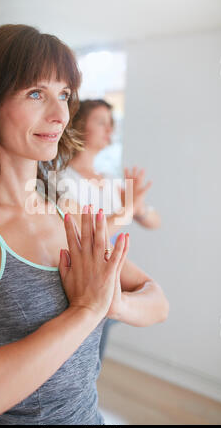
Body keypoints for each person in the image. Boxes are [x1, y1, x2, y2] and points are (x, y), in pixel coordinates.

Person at [0, 24, 169, 425]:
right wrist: (87, 310)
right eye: (36, 93)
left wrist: (115, 303)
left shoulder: (67, 212)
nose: (59, 115)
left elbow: (157, 300)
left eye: (64, 95)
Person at [56, 99, 162, 361]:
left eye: (111, 123)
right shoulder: (62, 179)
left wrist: (138, 208)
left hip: (115, 277)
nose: (109, 129)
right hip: (80, 278)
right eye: (101, 122)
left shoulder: (110, 180)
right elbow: (85, 234)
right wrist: (126, 210)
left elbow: (154, 221)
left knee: (97, 351)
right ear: (79, 126)